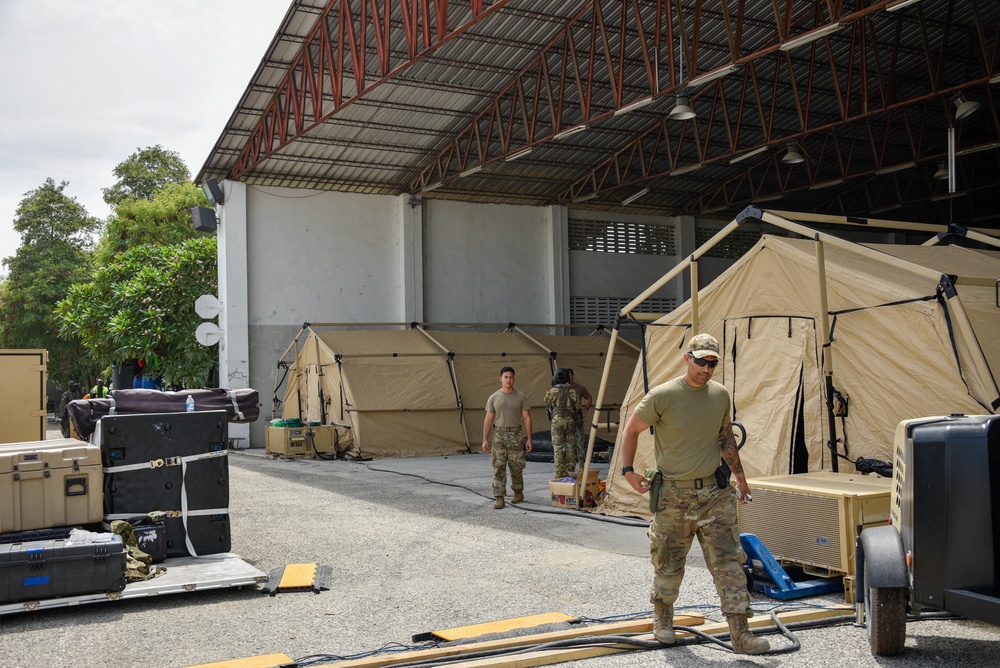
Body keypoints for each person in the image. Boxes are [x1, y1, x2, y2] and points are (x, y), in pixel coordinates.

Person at [618, 333, 768, 654]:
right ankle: (663, 618)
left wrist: (740, 478)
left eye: (712, 363)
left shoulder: (720, 396)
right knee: (669, 562)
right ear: (687, 358)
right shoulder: (663, 395)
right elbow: (631, 430)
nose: (706, 368)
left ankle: (740, 633)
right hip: (673, 496)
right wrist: (627, 471)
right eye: (701, 361)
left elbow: (725, 438)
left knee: (729, 562)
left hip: (715, 494)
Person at [482, 366, 532, 509]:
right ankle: (499, 497)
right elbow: (488, 419)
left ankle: (518, 492)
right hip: (499, 435)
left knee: (516, 466)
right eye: (506, 377)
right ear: (501, 378)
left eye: (511, 377)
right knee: (498, 466)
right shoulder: (494, 397)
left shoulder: (521, 397)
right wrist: (485, 439)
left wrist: (529, 439)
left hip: (516, 435)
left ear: (514, 378)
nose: (508, 379)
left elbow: (527, 418)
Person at [543, 369, 584, 478]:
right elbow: (578, 409)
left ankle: (560, 473)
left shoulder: (551, 392)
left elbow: (548, 406)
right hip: (570, 422)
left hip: (556, 422)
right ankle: (570, 471)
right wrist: (579, 424)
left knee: (558, 447)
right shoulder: (573, 391)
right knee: (570, 446)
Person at [566, 368, 593, 469]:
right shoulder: (562, 389)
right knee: (568, 444)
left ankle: (581, 466)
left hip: (578, 420)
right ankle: (570, 466)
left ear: (573, 375)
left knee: (580, 442)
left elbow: (589, 398)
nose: (569, 377)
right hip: (567, 420)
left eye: (570, 375)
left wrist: (586, 409)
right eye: (567, 375)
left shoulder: (580, 388)